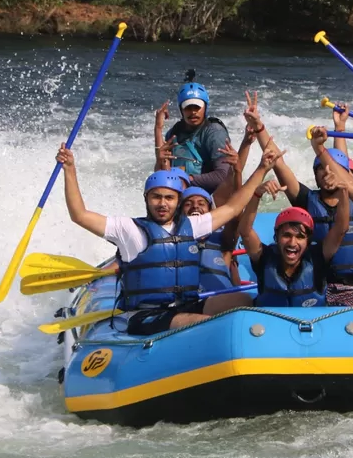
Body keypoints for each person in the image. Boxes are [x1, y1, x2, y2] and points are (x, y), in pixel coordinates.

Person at [56, 143, 280, 335]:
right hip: (145, 315)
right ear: (147, 198)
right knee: (206, 325)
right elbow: (80, 215)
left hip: (186, 305)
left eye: (170, 198)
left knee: (243, 302)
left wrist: (262, 168)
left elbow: (233, 207)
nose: (163, 204)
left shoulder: (190, 226)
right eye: (157, 197)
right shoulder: (128, 229)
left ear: (178, 201)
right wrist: (70, 170)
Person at [243, 91, 353, 306]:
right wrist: (259, 126)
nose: (327, 173)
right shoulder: (307, 199)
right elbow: (278, 163)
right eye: (321, 170)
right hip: (318, 284)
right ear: (315, 175)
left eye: (333, 170)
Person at [236, 179, 350, 308]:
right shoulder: (264, 257)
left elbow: (341, 229)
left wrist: (344, 192)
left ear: (308, 241)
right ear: (277, 237)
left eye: (300, 237)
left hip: (310, 324)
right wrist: (257, 195)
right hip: (270, 325)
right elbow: (245, 232)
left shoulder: (317, 258)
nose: (292, 242)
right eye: (286, 235)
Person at [154, 76, 233, 193]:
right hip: (182, 193)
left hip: (208, 196)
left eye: (197, 107)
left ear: (205, 107)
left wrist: (187, 180)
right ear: (181, 109)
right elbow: (161, 173)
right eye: (188, 108)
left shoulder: (215, 132)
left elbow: (223, 175)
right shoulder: (174, 133)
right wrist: (158, 128)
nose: (193, 112)